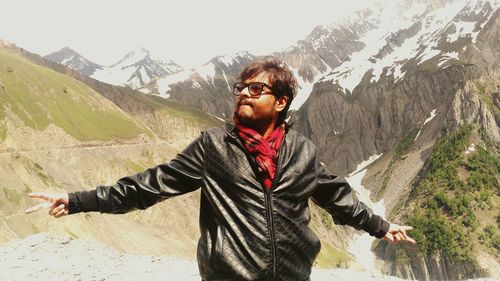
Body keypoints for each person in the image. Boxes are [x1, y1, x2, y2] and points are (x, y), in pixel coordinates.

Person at [26, 56, 415, 281]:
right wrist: (78, 200)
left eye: (256, 89)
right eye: (240, 88)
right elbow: (148, 186)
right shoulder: (213, 147)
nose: (244, 92)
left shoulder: (303, 152)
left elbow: (337, 195)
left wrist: (381, 227)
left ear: (280, 103)